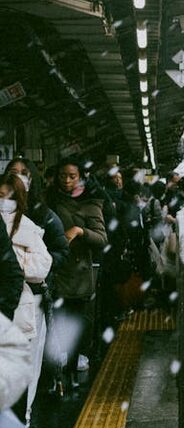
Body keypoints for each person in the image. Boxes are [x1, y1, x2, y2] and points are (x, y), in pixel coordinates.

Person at [45, 158, 108, 390]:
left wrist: (81, 231)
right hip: (51, 271)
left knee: (73, 326)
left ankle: (69, 374)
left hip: (76, 277)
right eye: (63, 175)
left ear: (81, 177)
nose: (67, 180)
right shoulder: (47, 200)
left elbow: (102, 239)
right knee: (52, 327)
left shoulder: (90, 203)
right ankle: (56, 377)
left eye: (73, 176)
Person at [0, 174, 52, 424]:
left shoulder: (28, 227)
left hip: (19, 308)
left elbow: (42, 265)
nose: (3, 201)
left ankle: (22, 417)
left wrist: (17, 260)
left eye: (8, 196)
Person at [4, 158, 70, 275]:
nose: (18, 177)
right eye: (14, 173)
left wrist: (38, 261)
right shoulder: (3, 208)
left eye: (24, 173)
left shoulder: (45, 215)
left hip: (34, 286)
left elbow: (62, 253)